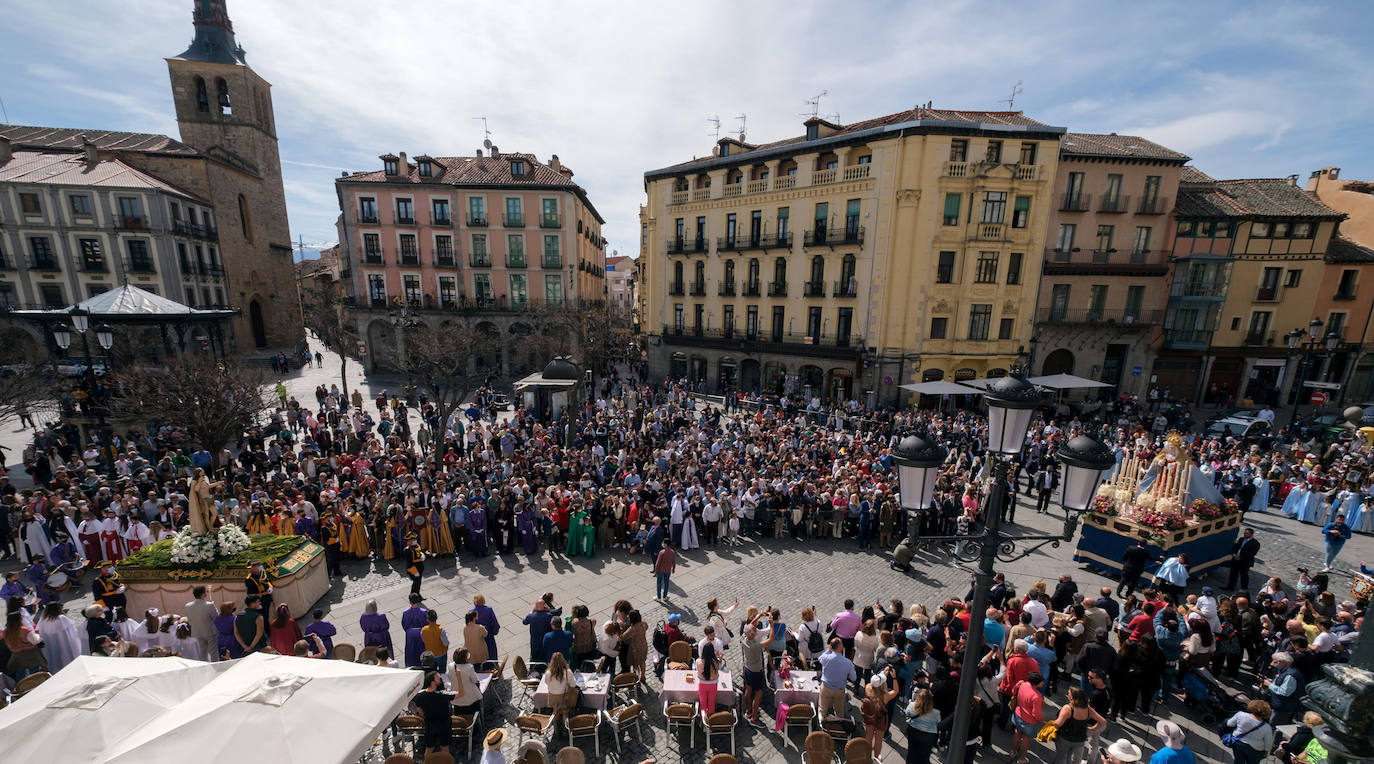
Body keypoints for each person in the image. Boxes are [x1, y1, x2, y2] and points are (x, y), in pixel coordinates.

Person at [1050, 686, 1105, 764]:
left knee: (1061, 758)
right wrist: (1092, 729)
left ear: (1072, 696)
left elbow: (1058, 723)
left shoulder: (1068, 708)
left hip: (1065, 738)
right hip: (1079, 739)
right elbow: (1103, 721)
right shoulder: (1088, 708)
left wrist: (1051, 723)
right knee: (1069, 756)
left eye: (1068, 693)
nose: (1067, 695)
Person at [411, 670, 456, 758]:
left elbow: (418, 707)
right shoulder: (442, 695)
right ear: (432, 682)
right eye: (438, 677)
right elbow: (461, 694)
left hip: (430, 724)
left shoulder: (420, 696)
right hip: (444, 724)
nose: (440, 678)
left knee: (429, 749)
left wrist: (424, 716)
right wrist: (458, 678)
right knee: (445, 749)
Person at [1009, 671, 1044, 764]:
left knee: (1017, 733)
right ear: (1036, 683)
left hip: (1018, 714)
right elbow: (1036, 713)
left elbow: (1013, 691)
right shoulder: (1037, 696)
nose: (1043, 683)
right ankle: (1022, 759)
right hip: (1029, 721)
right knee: (1026, 738)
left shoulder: (1022, 684)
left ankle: (1013, 752)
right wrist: (1041, 720)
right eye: (1041, 682)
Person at [36, 602, 82, 673]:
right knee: (65, 657)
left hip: (50, 644)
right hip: (63, 642)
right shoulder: (62, 618)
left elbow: (40, 632)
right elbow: (72, 632)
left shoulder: (42, 619)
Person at [1223, 699, 1273, 764]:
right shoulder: (1267, 727)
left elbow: (1229, 724)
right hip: (1256, 750)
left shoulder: (1240, 715)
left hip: (1238, 743)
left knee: (1238, 760)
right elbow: (1268, 744)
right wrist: (1266, 752)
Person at [863, 669, 899, 758]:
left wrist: (882, 675)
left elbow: (875, 683)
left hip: (869, 716)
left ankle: (867, 756)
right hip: (881, 718)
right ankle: (876, 757)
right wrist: (894, 677)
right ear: (882, 685)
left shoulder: (868, 687)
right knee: (878, 740)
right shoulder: (885, 696)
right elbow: (896, 690)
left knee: (868, 736)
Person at [818, 636, 855, 720]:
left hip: (826, 688)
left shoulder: (825, 658)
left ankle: (822, 725)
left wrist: (829, 650)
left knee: (822, 710)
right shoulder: (847, 662)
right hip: (839, 690)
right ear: (840, 647)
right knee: (839, 712)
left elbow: (820, 658)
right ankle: (838, 727)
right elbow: (853, 678)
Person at [1263, 651, 1305, 725]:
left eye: (1275, 662)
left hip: (1283, 708)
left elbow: (1284, 692)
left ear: (1283, 662)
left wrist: (1269, 685)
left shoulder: (1291, 675)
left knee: (1275, 726)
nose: (1272, 664)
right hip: (1278, 705)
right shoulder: (1285, 671)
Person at [904, 687, 940, 764]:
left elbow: (907, 713)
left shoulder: (911, 705)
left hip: (913, 732)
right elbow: (938, 721)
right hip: (928, 736)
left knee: (911, 753)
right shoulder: (936, 712)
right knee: (924, 756)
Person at [184, 585, 218, 662]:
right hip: (210, 632)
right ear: (203, 594)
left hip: (197, 631)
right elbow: (216, 617)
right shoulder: (209, 605)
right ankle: (216, 669)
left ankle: (203, 668)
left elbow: (189, 619)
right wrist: (214, 607)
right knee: (213, 653)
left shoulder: (187, 606)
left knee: (203, 652)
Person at [401, 593, 430, 668]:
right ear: (418, 601)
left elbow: (404, 624)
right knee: (421, 649)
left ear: (410, 602)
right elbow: (427, 623)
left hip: (410, 633)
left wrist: (408, 631)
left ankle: (410, 665)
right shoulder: (424, 611)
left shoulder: (405, 612)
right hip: (420, 632)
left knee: (410, 650)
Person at [470, 594, 501, 660]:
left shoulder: (471, 611)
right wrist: (495, 631)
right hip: (488, 633)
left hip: (477, 635)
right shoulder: (488, 609)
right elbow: (494, 622)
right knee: (491, 650)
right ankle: (492, 664)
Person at [696, 641, 721, 713]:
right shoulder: (716, 662)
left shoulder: (698, 661)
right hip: (713, 684)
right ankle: (710, 719)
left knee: (703, 703)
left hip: (702, 685)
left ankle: (702, 720)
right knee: (711, 703)